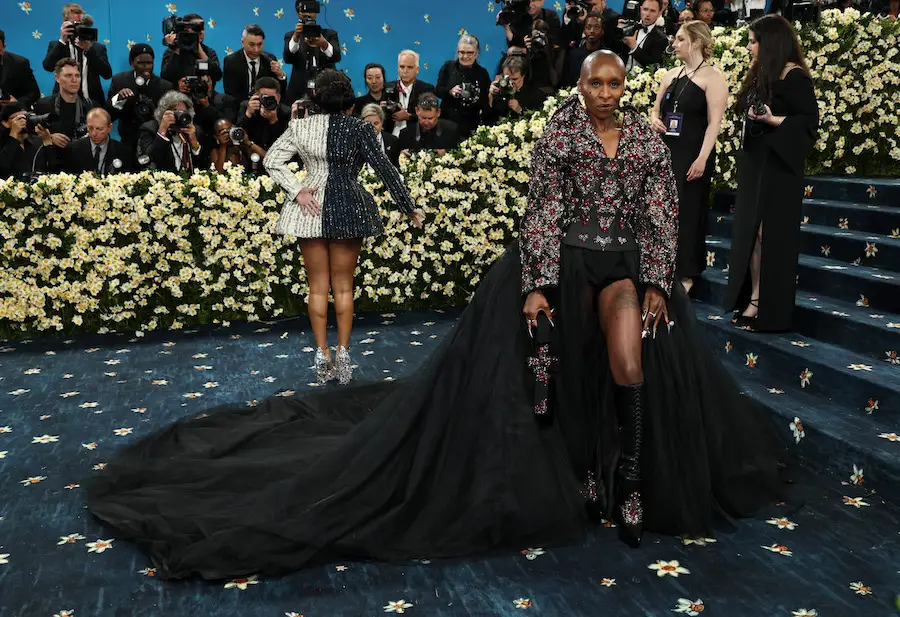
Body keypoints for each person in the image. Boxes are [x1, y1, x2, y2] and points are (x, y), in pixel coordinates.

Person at [86, 51, 787, 582]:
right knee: (560, 362)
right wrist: (537, 282)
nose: (605, 93)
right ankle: (578, 471)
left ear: (625, 87)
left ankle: (628, 480)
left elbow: (662, 210)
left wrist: (660, 280)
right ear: (580, 86)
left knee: (629, 360)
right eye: (595, 83)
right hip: (564, 263)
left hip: (624, 267)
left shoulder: (640, 141)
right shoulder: (558, 135)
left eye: (614, 83)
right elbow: (540, 209)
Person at [263, 70, 425, 383]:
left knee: (317, 286)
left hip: (309, 209)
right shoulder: (362, 128)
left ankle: (322, 353)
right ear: (349, 101)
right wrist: (408, 207)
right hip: (349, 206)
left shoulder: (299, 126)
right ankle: (344, 354)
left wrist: (297, 190)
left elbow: (272, 160)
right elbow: (385, 171)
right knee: (343, 286)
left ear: (316, 99)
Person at [726, 15, 818, 331]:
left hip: (780, 167)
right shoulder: (760, 73)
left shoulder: (795, 77)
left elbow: (807, 125)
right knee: (752, 235)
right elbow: (742, 107)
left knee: (770, 235)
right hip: (756, 164)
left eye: (754, 41)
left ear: (770, 42)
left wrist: (772, 120)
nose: (750, 47)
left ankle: (769, 306)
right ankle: (753, 298)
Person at [650, 21, 727, 294]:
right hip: (666, 152)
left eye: (681, 39)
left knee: (689, 213)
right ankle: (661, 268)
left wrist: (703, 158)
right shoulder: (670, 75)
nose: (675, 44)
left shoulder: (713, 77)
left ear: (695, 42)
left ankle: (686, 274)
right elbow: (655, 110)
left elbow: (714, 124)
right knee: (662, 212)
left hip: (694, 153)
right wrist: (656, 120)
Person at [42, 5, 111, 105]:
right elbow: (47, 66)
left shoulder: (97, 48)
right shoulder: (57, 45)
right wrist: (62, 41)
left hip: (92, 102)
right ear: (64, 24)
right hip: (62, 103)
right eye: (74, 24)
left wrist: (89, 49)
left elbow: (107, 74)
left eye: (81, 24)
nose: (78, 28)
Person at [282, 0, 341, 104]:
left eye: (311, 11)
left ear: (317, 13)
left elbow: (336, 56)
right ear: (298, 13)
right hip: (298, 91)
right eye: (304, 11)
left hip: (326, 91)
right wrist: (296, 37)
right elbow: (288, 58)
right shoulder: (290, 35)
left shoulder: (329, 34)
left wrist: (324, 44)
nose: (308, 14)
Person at [434, 34, 491, 140]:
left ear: (476, 53)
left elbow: (485, 102)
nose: (465, 56)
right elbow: (438, 90)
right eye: (462, 52)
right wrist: (450, 91)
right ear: (457, 52)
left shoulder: (482, 73)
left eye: (470, 52)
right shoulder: (448, 67)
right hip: (448, 122)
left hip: (471, 124)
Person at [136, 90, 206, 172]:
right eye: (175, 111)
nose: (179, 115)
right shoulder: (150, 129)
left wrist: (194, 143)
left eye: (183, 112)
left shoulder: (195, 131)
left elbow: (204, 165)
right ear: (163, 112)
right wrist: (162, 132)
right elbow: (151, 159)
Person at [33, 58, 92, 149]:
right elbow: (30, 135)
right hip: (52, 158)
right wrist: (49, 138)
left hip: (81, 159)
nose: (74, 80)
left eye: (77, 76)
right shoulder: (43, 105)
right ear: (57, 78)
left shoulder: (90, 106)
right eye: (68, 75)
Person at [223, 25, 287, 104]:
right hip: (240, 107)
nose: (256, 49)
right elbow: (230, 93)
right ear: (242, 43)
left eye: (260, 44)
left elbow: (280, 91)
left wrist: (280, 75)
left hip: (265, 106)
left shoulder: (270, 60)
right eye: (252, 44)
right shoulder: (231, 61)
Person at [64, 107, 135, 174]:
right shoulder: (73, 149)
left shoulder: (123, 151)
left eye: (99, 129)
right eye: (90, 128)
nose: (94, 133)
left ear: (109, 127)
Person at [160, 13, 223, 87]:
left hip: (203, 95)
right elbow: (165, 77)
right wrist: (176, 50)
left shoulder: (209, 51)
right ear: (185, 29)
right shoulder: (171, 51)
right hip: (179, 96)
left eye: (202, 28)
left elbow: (217, 76)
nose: (201, 32)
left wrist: (200, 51)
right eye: (196, 28)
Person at [0, 103, 60, 179]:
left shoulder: (37, 142)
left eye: (26, 117)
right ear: (5, 123)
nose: (24, 121)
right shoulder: (3, 143)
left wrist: (47, 142)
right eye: (18, 118)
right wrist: (14, 134)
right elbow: (2, 167)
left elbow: (54, 171)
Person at [386, 50, 435, 138]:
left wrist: (409, 116)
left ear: (417, 70)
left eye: (410, 67)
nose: (405, 71)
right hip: (390, 136)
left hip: (416, 136)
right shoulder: (388, 87)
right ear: (398, 68)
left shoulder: (426, 89)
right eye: (402, 67)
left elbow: (430, 117)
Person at [235, 77, 291, 153]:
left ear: (278, 98)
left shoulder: (286, 112)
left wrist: (274, 121)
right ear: (256, 96)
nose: (268, 101)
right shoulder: (246, 106)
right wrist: (248, 114)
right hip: (250, 152)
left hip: (275, 153)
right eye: (265, 97)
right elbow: (238, 135)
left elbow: (284, 142)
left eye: (271, 98)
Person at [487, 56, 548, 123]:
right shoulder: (498, 91)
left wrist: (520, 110)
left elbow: (538, 122)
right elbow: (489, 118)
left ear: (523, 76)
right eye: (507, 78)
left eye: (514, 79)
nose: (510, 82)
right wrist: (490, 97)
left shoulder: (535, 95)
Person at [561, 11, 607, 88]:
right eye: (588, 27)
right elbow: (566, 83)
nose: (592, 31)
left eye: (596, 27)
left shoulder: (607, 56)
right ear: (584, 30)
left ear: (602, 31)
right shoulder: (573, 55)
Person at [621, 0, 669, 71]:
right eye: (645, 9)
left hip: (641, 79)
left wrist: (634, 48)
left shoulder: (661, 38)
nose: (647, 14)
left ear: (659, 13)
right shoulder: (630, 28)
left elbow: (652, 64)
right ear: (640, 9)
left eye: (652, 11)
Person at [0, 30, 42, 109]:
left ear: (4, 47)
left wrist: (16, 103)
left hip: (13, 113)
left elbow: (34, 93)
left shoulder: (19, 63)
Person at [360, 103, 400, 167]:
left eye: (376, 123)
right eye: (368, 124)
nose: (372, 127)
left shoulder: (393, 141)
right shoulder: (356, 142)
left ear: (382, 123)